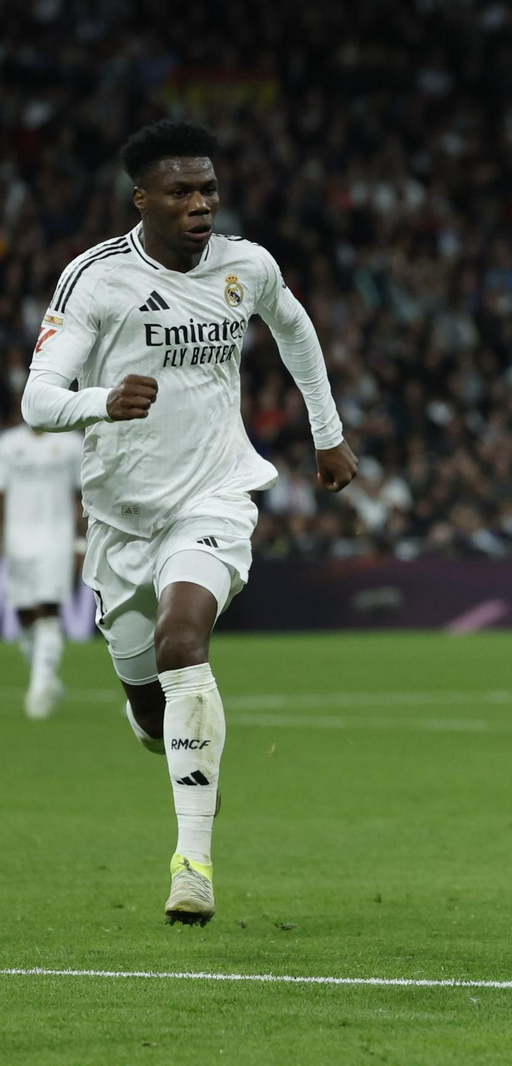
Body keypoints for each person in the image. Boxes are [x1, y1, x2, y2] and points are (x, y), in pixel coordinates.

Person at [22, 119, 358, 926]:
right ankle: (154, 718)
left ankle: (193, 865)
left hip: (213, 496)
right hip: (120, 519)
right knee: (149, 701)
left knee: (185, 640)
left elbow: (296, 328)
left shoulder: (248, 266)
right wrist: (101, 401)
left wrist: (328, 432)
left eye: (207, 188)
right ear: (144, 200)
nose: (200, 203)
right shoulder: (94, 280)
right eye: (180, 192)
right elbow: (38, 400)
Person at [0, 421, 82, 719]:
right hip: (18, 541)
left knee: (49, 610)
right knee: (24, 616)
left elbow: (82, 495)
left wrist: (81, 541)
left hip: (56, 538)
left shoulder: (71, 444)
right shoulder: (8, 444)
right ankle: (48, 679)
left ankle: (39, 689)